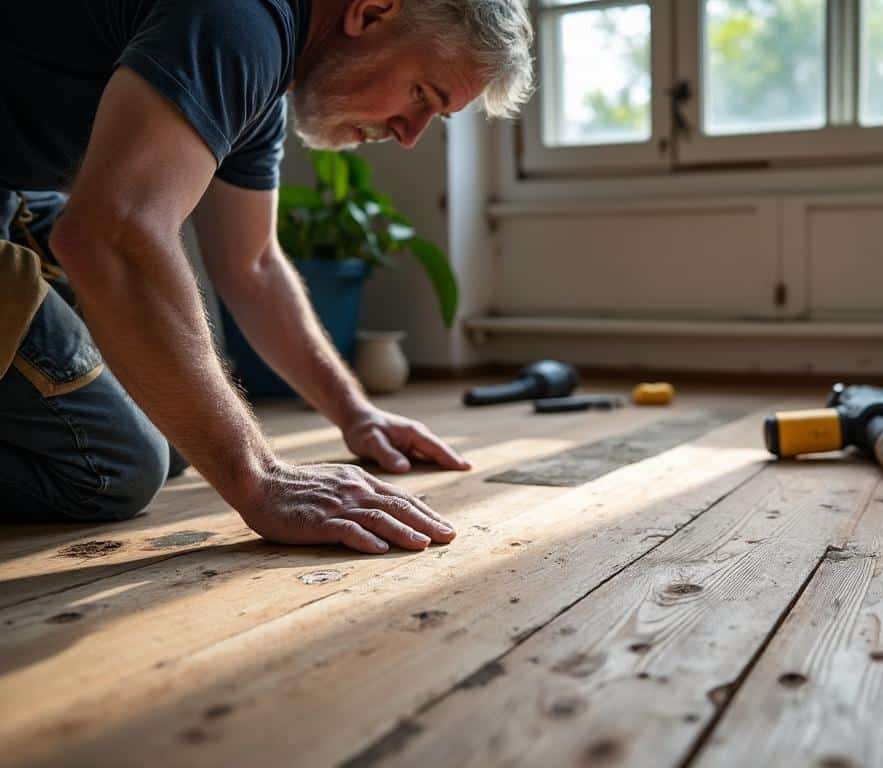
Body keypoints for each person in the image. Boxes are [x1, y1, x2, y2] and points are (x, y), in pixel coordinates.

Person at [0, 0, 533, 553]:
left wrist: (355, 413)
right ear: (372, 12)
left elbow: (252, 264)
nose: (409, 134)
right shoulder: (240, 19)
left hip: (21, 195)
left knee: (175, 428)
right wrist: (259, 479)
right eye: (422, 94)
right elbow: (111, 234)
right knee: (116, 466)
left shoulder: (264, 75)